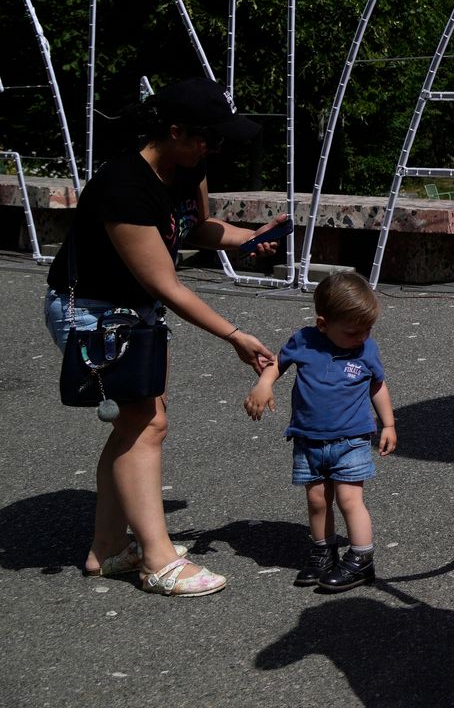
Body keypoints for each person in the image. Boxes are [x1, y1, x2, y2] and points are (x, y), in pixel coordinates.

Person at [42, 76, 282, 596]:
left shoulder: (183, 169)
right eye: (209, 139)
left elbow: (192, 229)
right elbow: (165, 282)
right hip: (94, 312)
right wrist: (235, 335)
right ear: (175, 131)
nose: (215, 148)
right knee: (145, 423)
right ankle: (157, 559)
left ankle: (106, 549)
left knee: (139, 423)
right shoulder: (123, 186)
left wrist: (249, 239)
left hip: (132, 310)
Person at [243, 269, 397, 592]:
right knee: (316, 500)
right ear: (323, 324)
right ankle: (323, 550)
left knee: (348, 497)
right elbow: (276, 363)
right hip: (308, 438)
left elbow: (378, 386)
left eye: (368, 329)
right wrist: (263, 384)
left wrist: (389, 424)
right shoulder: (304, 341)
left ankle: (361, 557)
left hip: (351, 439)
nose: (363, 338)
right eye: (354, 332)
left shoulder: (366, 350)